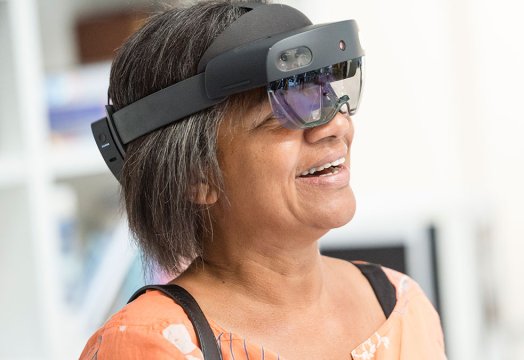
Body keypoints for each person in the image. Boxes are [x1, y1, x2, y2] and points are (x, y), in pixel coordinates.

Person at [80, 1, 446, 359]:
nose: (336, 125)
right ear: (197, 177)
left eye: (330, 95)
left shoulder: (401, 304)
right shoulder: (147, 344)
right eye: (285, 112)